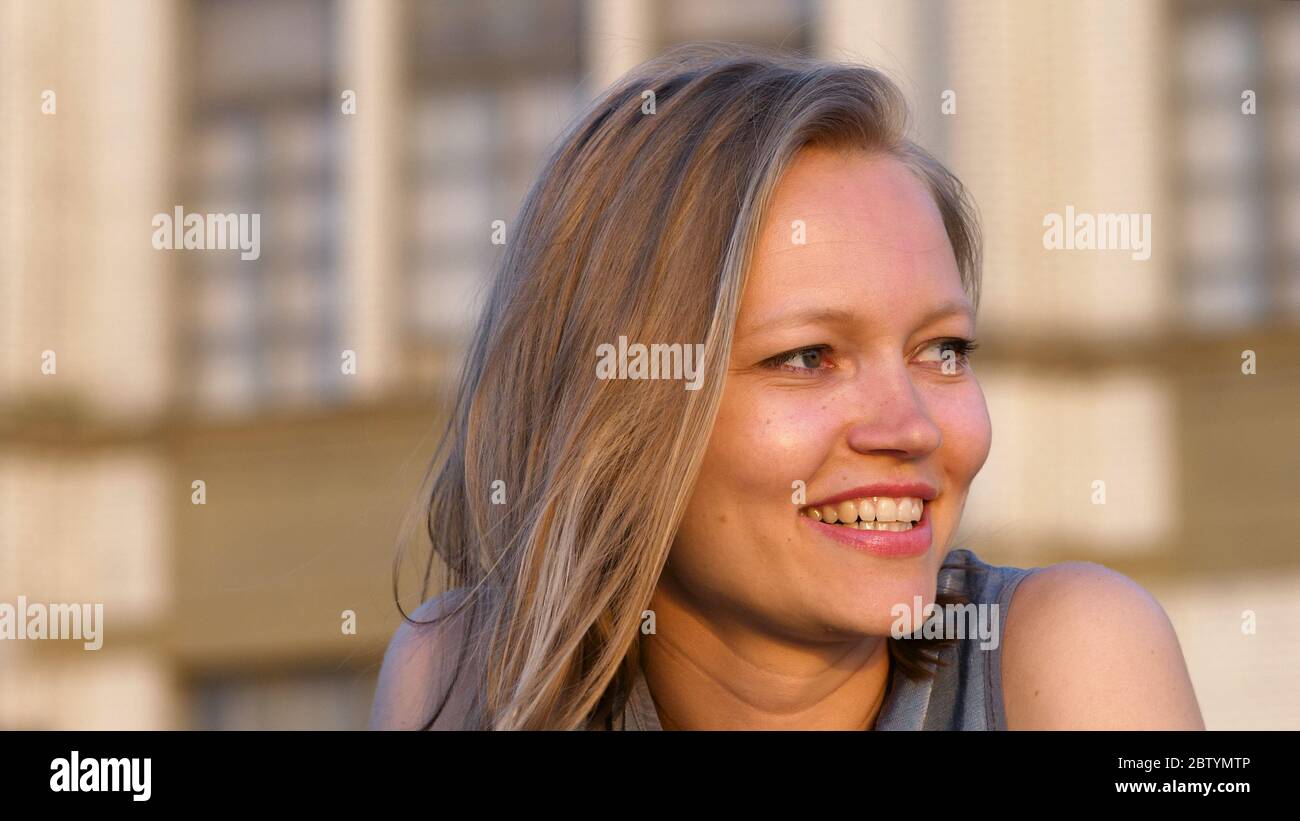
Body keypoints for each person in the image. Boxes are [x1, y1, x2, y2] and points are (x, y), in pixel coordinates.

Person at [370, 44, 1204, 731]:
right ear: (618, 411)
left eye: (941, 348)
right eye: (808, 357)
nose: (909, 426)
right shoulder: (463, 676)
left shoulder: (1073, 655)